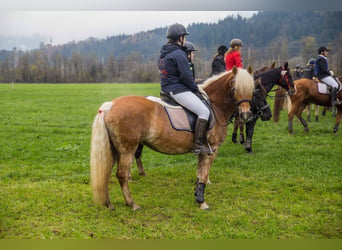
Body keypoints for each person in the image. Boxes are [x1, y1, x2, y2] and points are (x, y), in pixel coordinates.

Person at [158, 23, 212, 155]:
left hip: (166, 89)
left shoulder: (163, 54)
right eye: (185, 37)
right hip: (178, 90)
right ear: (180, 37)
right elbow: (186, 77)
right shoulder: (179, 53)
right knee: (204, 112)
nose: (185, 40)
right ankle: (198, 146)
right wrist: (196, 89)